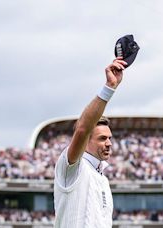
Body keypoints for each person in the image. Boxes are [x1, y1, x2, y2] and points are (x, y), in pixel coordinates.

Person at [54, 57, 127, 228]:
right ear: (86, 140)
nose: (109, 143)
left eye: (110, 138)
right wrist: (109, 88)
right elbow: (82, 129)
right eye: (102, 138)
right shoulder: (73, 168)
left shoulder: (103, 178)